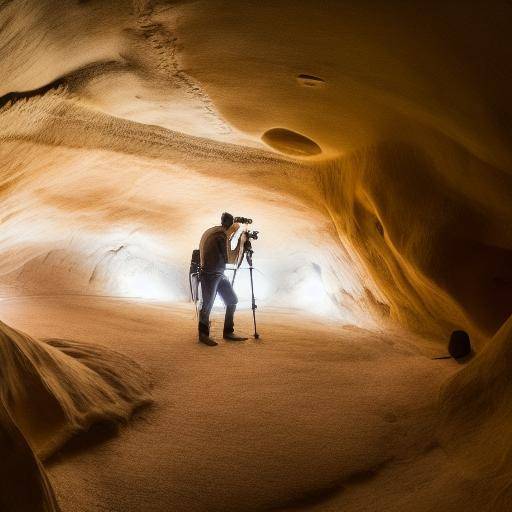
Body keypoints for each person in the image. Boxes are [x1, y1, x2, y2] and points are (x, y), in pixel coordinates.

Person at [197, 212, 248, 346]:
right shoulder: (221, 235)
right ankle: (203, 334)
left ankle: (228, 331)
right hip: (210, 274)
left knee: (232, 300)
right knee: (207, 305)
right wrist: (242, 244)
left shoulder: (215, 232)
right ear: (230, 225)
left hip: (218, 273)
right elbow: (229, 259)